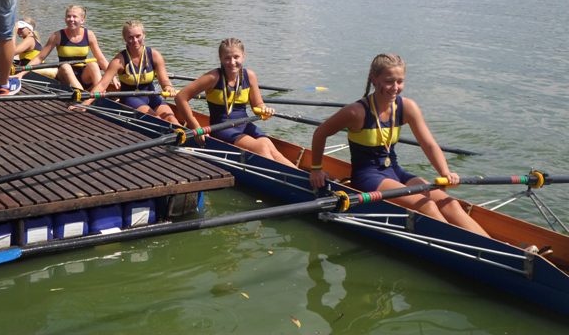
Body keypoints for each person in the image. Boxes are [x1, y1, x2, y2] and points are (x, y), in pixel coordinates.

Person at [309, 53, 489, 237]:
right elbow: (320, 133)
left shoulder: (407, 107)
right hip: (367, 176)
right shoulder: (356, 112)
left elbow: (428, 144)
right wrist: (316, 169)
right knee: (426, 205)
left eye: (400, 81)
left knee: (449, 203)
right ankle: (463, 246)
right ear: (374, 79)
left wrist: (445, 173)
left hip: (395, 171)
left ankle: (498, 247)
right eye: (389, 81)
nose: (395, 87)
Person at [175, 38, 296, 167]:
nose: (232, 62)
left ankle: (300, 177)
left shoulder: (249, 76)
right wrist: (196, 127)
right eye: (227, 58)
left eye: (236, 57)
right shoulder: (213, 77)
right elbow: (180, 97)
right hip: (222, 127)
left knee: (271, 148)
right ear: (220, 59)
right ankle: (281, 176)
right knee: (262, 147)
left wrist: (265, 109)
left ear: (243, 56)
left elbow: (258, 105)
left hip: (244, 124)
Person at [79, 20, 179, 124]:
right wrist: (85, 103)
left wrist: (168, 87)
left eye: (138, 36)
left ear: (144, 35)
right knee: (156, 119)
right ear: (125, 39)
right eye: (130, 37)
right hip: (130, 98)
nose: (135, 40)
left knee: (172, 120)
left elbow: (164, 81)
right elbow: (102, 85)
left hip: (152, 96)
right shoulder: (119, 61)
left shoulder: (154, 55)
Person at [27, 5, 113, 90]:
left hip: (83, 75)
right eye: (68, 16)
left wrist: (112, 77)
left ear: (82, 20)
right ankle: (82, 94)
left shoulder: (89, 35)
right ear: (65, 19)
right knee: (66, 66)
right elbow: (40, 57)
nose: (71, 19)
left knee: (93, 64)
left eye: (74, 16)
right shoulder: (57, 36)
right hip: (64, 74)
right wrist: (23, 71)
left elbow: (101, 59)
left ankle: (100, 92)